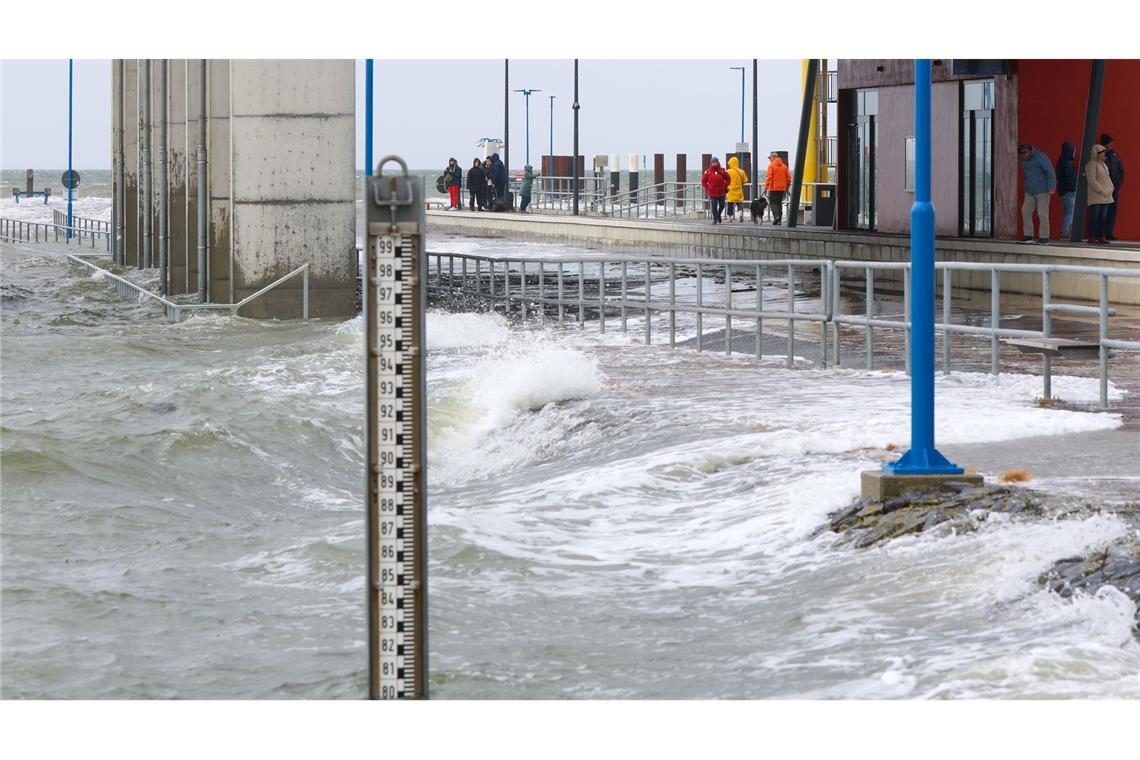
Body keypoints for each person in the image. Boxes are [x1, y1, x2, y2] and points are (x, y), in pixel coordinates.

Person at [1017, 143, 1055, 243]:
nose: (1024, 156)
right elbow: (1026, 175)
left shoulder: (1041, 157)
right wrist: (1026, 187)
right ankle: (1028, 235)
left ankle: (1044, 237)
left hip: (1043, 190)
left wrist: (1052, 186)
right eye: (1021, 154)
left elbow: (1050, 171)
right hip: (1030, 191)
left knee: (1042, 213)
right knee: (1025, 210)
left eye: (1025, 153)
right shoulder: (1022, 160)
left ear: (1030, 151)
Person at [1084, 144, 1115, 245]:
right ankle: (1092, 237)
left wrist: (1111, 188)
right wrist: (1101, 190)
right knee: (1095, 217)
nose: (1104, 154)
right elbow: (1092, 180)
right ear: (1096, 154)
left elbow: (1107, 178)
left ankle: (1101, 236)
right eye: (1102, 153)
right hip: (1096, 196)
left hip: (1106, 196)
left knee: (1103, 217)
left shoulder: (1103, 164)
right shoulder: (1091, 164)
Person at [1100, 133, 1125, 241]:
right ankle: (1101, 233)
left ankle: (1109, 232)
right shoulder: (1100, 155)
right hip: (1105, 188)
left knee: (1112, 211)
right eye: (1110, 144)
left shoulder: (1114, 155)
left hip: (1115, 188)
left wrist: (1118, 184)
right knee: (1103, 211)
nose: (1111, 146)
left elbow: (1121, 170)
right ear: (1105, 144)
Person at [1055, 142, 1078, 239]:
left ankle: (1065, 231)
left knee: (1066, 212)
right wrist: (1074, 188)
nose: (1074, 153)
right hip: (1069, 190)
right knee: (1070, 212)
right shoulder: (1067, 163)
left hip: (1063, 190)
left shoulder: (1061, 161)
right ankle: (1066, 232)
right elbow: (1070, 178)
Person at [764, 152, 791, 225]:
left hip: (773, 188)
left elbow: (769, 178)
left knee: (772, 202)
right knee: (779, 203)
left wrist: (766, 187)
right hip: (782, 189)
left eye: (770, 158)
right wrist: (786, 187)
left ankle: (776, 217)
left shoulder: (771, 166)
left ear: (773, 158)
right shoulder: (784, 167)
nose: (770, 160)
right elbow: (788, 179)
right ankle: (779, 220)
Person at [701, 157, 730, 224]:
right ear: (711, 163)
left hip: (721, 192)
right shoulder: (708, 171)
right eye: (713, 162)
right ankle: (715, 219)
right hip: (712, 192)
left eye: (716, 162)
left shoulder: (722, 170)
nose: (715, 164)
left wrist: (725, 185)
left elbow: (728, 179)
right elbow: (703, 181)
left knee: (722, 205)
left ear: (718, 162)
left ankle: (718, 214)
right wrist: (708, 187)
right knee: (714, 205)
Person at [725, 156, 749, 223]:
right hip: (739, 190)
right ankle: (740, 212)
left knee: (730, 204)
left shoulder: (728, 171)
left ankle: (730, 217)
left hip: (731, 190)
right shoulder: (742, 171)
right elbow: (745, 180)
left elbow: (724, 180)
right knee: (739, 203)